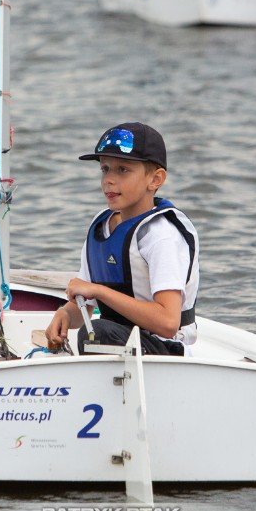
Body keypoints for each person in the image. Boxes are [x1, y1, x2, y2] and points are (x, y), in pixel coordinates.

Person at [44, 122, 199, 357]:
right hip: (122, 339)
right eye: (105, 169)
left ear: (155, 179)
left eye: (122, 170)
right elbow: (84, 305)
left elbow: (168, 323)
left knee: (97, 332)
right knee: (95, 331)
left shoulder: (161, 236)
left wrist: (99, 291)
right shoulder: (101, 226)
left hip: (165, 352)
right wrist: (66, 314)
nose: (109, 179)